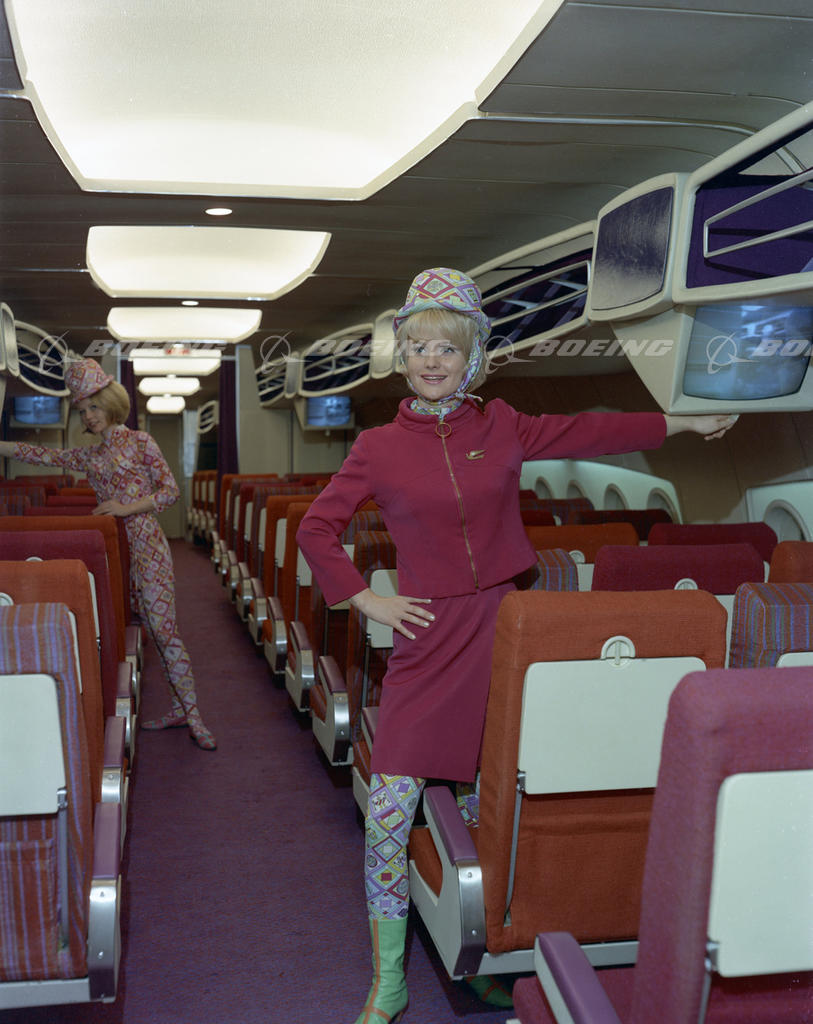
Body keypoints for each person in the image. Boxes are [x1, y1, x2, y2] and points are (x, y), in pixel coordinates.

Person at [296, 267, 738, 1024]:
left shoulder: (501, 423)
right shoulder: (375, 446)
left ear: (471, 356)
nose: (431, 360)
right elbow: (316, 529)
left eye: (446, 347)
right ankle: (389, 980)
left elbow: (592, 430)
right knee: (389, 813)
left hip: (508, 627)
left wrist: (682, 422)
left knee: (492, 799)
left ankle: (485, 946)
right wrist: (367, 597)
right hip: (427, 636)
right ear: (403, 356)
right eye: (418, 347)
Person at [0, 356, 217, 750]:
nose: (89, 416)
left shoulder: (141, 442)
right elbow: (40, 455)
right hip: (112, 552)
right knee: (134, 630)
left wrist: (124, 507)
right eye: (83, 410)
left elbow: (170, 492)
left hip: (147, 546)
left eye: (94, 407)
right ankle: (177, 708)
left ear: (111, 403)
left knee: (164, 631)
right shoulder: (90, 455)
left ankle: (193, 716)